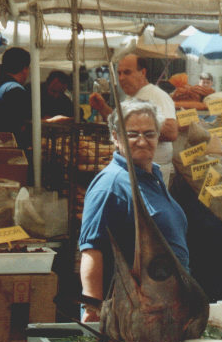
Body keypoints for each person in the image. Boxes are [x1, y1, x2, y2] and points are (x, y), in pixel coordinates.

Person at [78, 99, 189, 322]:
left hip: (165, 310)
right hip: (132, 317)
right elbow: (91, 251)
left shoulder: (152, 177)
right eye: (132, 134)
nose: (141, 141)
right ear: (115, 137)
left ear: (159, 137)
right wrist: (93, 312)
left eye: (149, 134)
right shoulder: (110, 185)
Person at [89, 54, 178, 184]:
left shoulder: (156, 95)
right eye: (119, 73)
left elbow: (171, 132)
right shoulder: (130, 98)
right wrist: (102, 107)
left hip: (152, 173)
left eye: (127, 72)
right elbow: (120, 123)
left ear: (143, 72)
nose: (121, 78)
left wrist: (137, 126)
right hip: (134, 170)